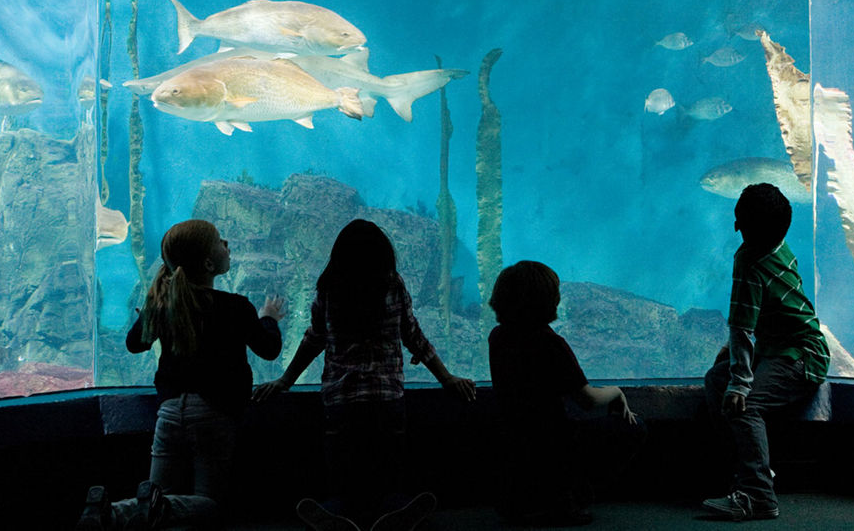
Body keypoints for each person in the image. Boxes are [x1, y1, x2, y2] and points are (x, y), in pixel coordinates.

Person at [254, 218, 476, 531]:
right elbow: (413, 335)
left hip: (341, 402)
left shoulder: (329, 288)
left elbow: (314, 338)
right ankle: (394, 510)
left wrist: (285, 380)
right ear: (384, 256)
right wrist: (446, 377)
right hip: (387, 401)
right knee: (388, 474)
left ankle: (339, 514)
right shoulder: (393, 284)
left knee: (342, 477)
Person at [77, 218, 286, 530]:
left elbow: (135, 344)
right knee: (210, 505)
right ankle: (136, 510)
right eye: (219, 241)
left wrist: (147, 315)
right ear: (208, 262)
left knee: (157, 502)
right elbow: (269, 349)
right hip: (215, 415)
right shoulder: (236, 307)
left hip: (170, 412)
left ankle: (111, 513)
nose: (226, 244)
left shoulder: (164, 304)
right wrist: (268, 318)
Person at [702, 183, 829, 522]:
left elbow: (742, 325)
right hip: (779, 348)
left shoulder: (750, 261)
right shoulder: (778, 246)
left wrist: (741, 383)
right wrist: (733, 363)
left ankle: (758, 496)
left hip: (802, 355)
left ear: (741, 225)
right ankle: (746, 474)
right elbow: (763, 313)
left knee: (745, 404)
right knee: (715, 380)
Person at [487, 260, 645, 527]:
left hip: (515, 440)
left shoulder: (498, 337)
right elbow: (588, 400)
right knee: (635, 427)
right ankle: (566, 495)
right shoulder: (550, 343)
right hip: (555, 442)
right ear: (545, 300)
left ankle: (534, 497)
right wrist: (616, 392)